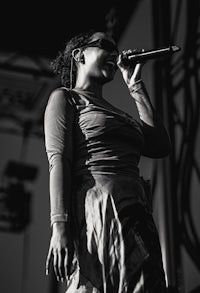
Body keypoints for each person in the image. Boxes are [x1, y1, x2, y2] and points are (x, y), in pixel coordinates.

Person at [44, 30, 171, 293]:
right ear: (79, 55)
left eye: (116, 50)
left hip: (136, 213)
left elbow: (160, 145)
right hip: (99, 211)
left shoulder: (118, 112)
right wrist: (59, 226)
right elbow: (59, 162)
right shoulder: (66, 98)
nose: (114, 54)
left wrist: (135, 84)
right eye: (106, 46)